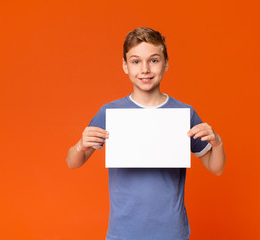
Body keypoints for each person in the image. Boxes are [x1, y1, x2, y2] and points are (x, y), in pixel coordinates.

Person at [66, 27, 226, 240]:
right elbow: (73, 162)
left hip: (172, 233)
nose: (145, 69)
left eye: (153, 60)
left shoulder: (183, 113)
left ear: (166, 63)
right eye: (135, 61)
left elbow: (216, 167)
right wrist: (80, 145)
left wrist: (218, 142)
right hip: (123, 233)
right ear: (125, 66)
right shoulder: (111, 113)